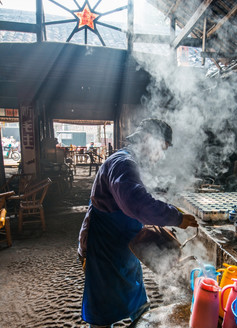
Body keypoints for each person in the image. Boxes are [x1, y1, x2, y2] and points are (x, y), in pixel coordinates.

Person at [78, 118, 198, 328]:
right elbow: (137, 204)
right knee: (103, 311)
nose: (160, 155)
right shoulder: (123, 163)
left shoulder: (131, 163)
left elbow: (139, 196)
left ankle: (143, 320)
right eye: (162, 147)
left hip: (127, 245)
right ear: (149, 139)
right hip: (104, 248)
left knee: (137, 300)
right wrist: (177, 218)